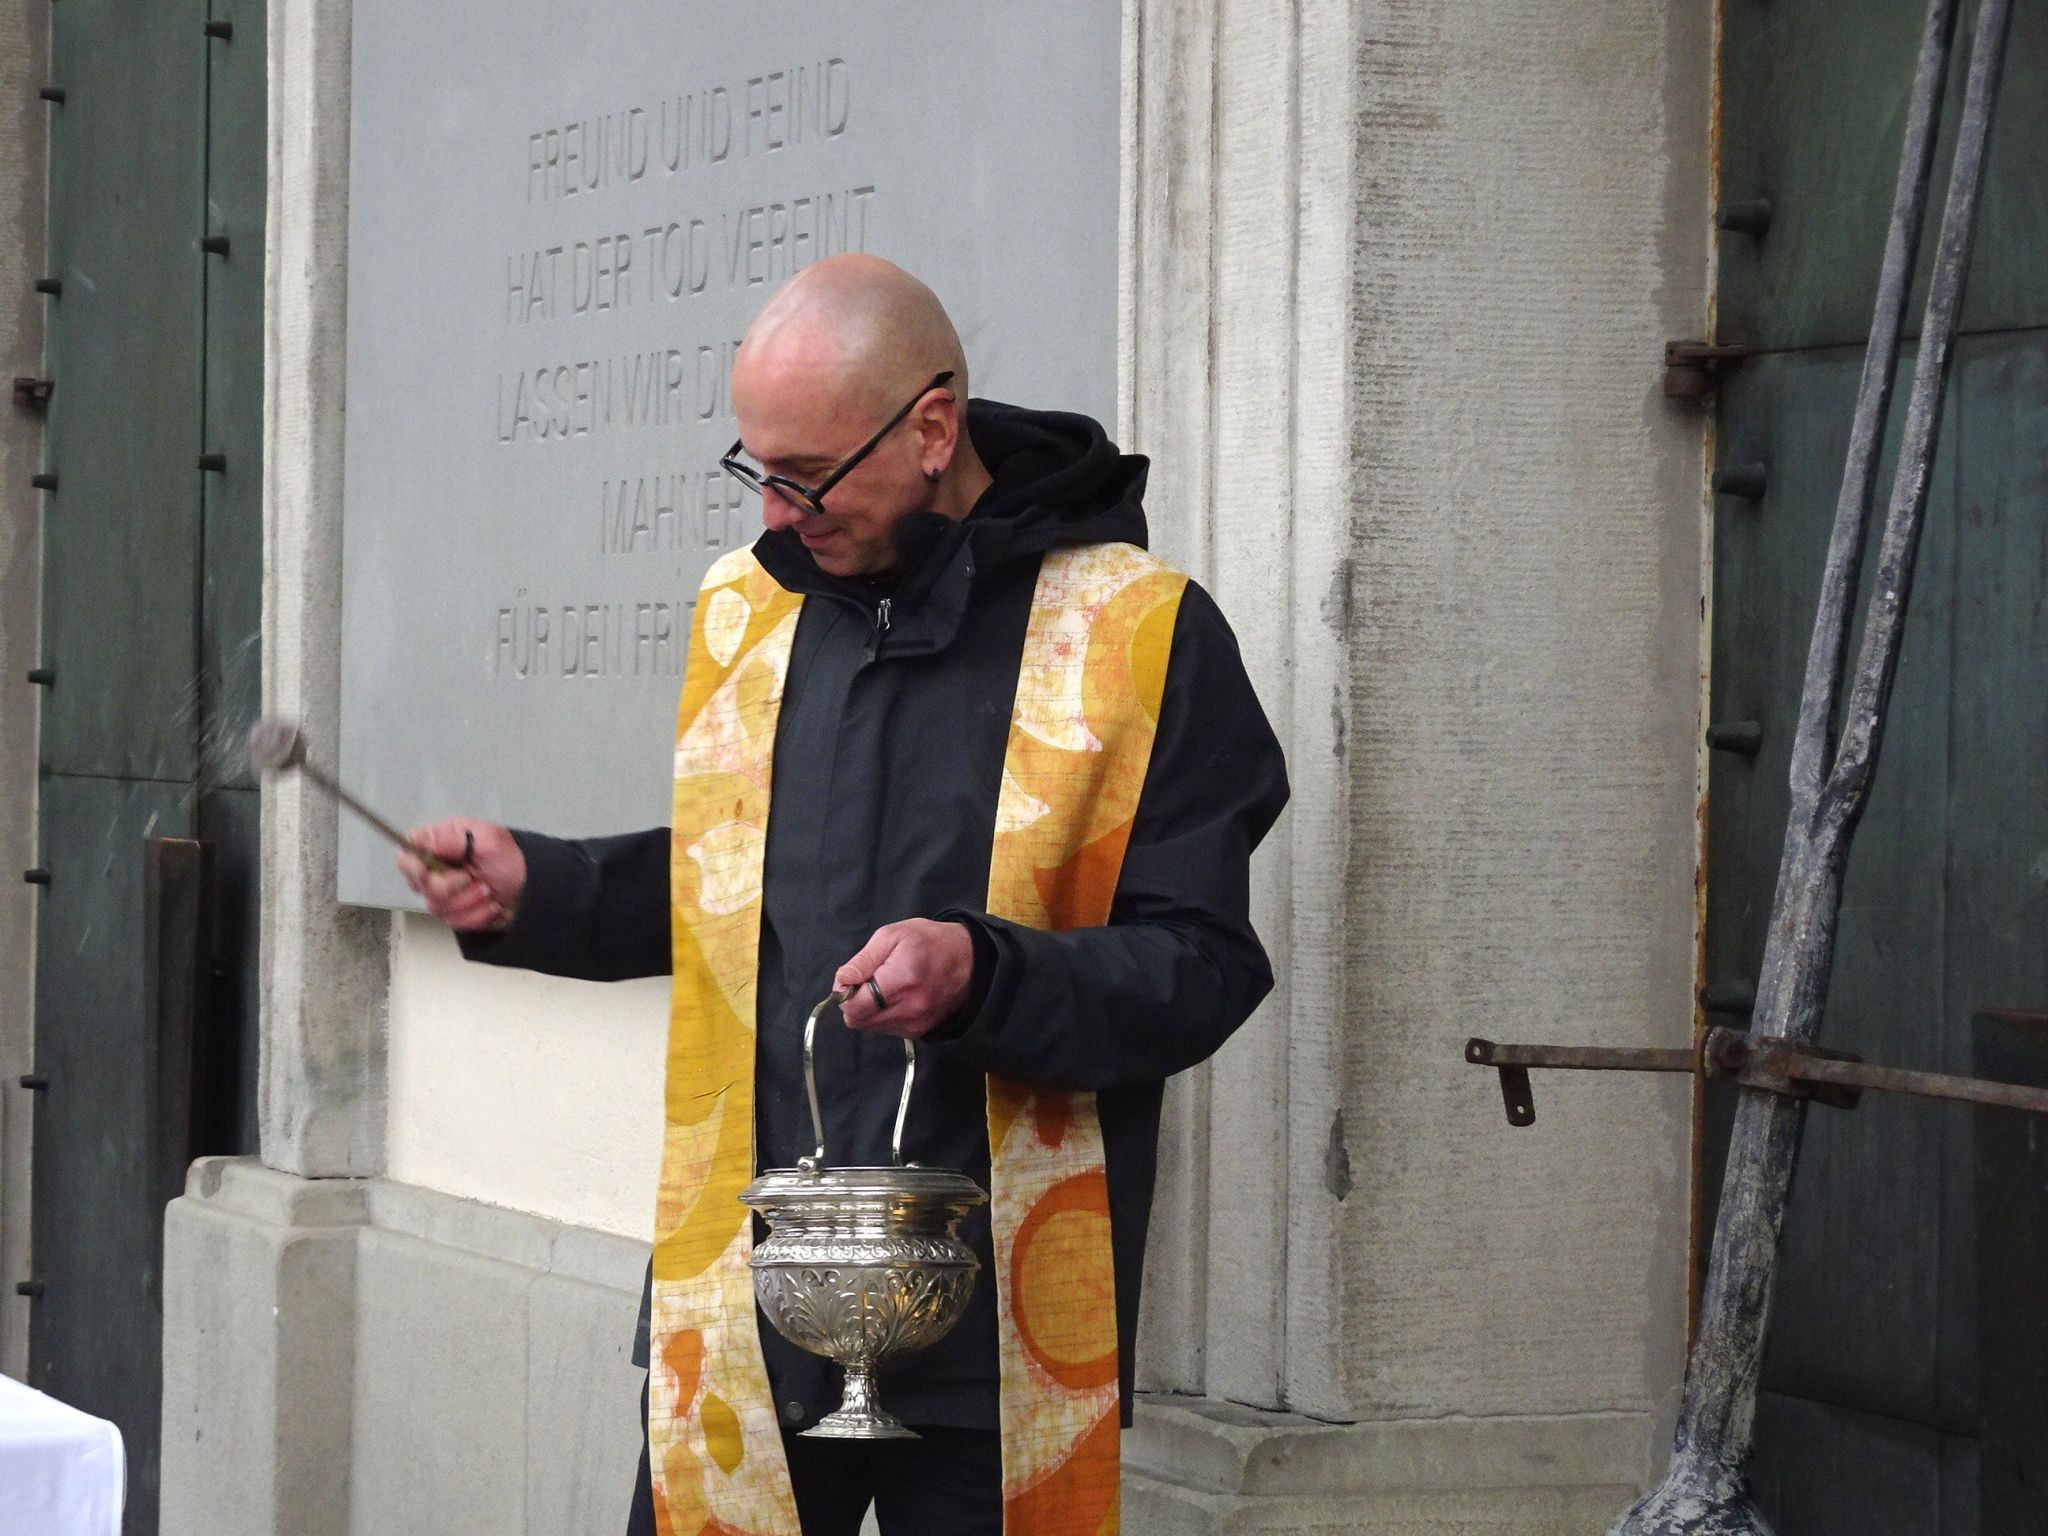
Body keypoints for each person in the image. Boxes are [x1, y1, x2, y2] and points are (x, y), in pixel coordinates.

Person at [400, 254, 1287, 1536]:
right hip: (749, 1307)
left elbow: (1200, 964)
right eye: (755, 469)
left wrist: (983, 975)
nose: (775, 514)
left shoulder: (1138, 631)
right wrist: (544, 889)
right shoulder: (747, 611)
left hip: (990, 1337)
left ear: (930, 429)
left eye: (807, 476)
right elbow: (731, 890)